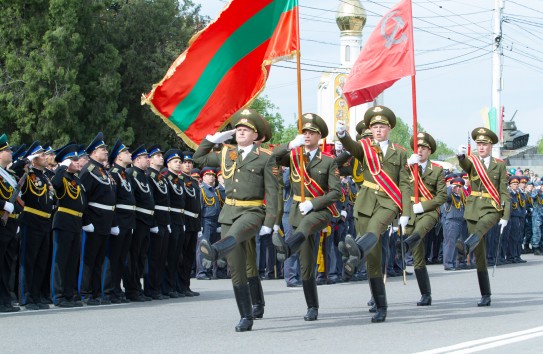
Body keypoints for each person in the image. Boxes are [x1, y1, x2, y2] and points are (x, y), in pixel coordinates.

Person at [193, 108, 277, 332]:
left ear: (256, 135)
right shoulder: (225, 154)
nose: (240, 131)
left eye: (246, 129)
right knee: (240, 267)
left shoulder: (266, 158)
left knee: (235, 234)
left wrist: (270, 222)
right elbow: (198, 158)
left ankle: (216, 250)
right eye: (238, 128)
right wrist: (211, 140)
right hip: (229, 212)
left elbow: (274, 192)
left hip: (252, 212)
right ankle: (248, 313)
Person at [336, 105, 410, 323]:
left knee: (376, 229)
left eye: (382, 126)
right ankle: (381, 305)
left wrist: (405, 212)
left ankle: (355, 250)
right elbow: (351, 147)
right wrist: (342, 135)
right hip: (366, 201)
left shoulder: (400, 152)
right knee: (374, 258)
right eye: (375, 126)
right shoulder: (365, 148)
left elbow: (404, 183)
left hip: (388, 202)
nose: (378, 130)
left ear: (389, 129)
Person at [271, 113, 341, 321]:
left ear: (319, 136)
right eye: (304, 132)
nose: (307, 135)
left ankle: (288, 246)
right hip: (296, 210)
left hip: (319, 211)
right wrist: (290, 145)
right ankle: (312, 306)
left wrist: (314, 202)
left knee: (308, 225)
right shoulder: (294, 156)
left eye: (311, 132)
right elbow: (272, 158)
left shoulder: (329, 161)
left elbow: (336, 192)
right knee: (306, 263)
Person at [456, 127, 510, 306]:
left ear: (490, 146)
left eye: (484, 144)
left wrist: (505, 215)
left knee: (482, 226)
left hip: (491, 208)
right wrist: (461, 157)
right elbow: (465, 166)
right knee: (479, 254)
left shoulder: (499, 165)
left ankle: (465, 247)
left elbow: (503, 191)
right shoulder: (472, 162)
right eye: (478, 144)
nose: (481, 147)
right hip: (473, 208)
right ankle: (485, 294)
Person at [400, 133, 447, 306]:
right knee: (418, 257)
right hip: (409, 211)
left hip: (428, 211)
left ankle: (406, 244)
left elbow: (442, 196)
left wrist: (424, 206)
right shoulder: (407, 167)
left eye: (424, 148)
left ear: (430, 151)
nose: (420, 150)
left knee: (420, 230)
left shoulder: (436, 169)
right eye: (418, 147)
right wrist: (406, 166)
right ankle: (426, 294)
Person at [78, 133, 117, 305]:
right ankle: (85, 292)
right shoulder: (89, 171)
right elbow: (83, 198)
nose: (106, 152)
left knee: (99, 258)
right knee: (89, 259)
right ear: (93, 152)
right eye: (102, 149)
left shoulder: (102, 171)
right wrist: (86, 221)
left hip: (105, 220)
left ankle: (95, 292)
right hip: (93, 220)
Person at [18, 141, 55, 310]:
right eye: (42, 155)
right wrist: (26, 162)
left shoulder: (45, 176)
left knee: (41, 261)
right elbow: (16, 172)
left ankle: (36, 295)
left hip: (45, 222)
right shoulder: (28, 173)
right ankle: (26, 296)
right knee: (29, 259)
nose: (46, 157)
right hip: (31, 220)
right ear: (34, 159)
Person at [50, 144, 85, 307]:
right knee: (61, 260)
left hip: (76, 222)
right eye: (74, 160)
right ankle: (58, 295)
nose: (78, 163)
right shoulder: (62, 177)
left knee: (72, 260)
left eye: (78, 159)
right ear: (67, 163)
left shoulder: (77, 179)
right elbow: (55, 184)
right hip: (63, 221)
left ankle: (69, 294)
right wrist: (61, 167)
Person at [103, 139, 135, 304]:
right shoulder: (113, 174)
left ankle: (116, 288)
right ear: (118, 157)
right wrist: (114, 222)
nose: (130, 154)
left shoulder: (124, 174)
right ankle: (108, 290)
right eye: (126, 153)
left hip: (128, 220)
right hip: (119, 219)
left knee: (121, 257)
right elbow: (113, 200)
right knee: (113, 257)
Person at [124, 145, 154, 302]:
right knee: (133, 256)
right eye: (145, 157)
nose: (148, 159)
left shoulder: (145, 175)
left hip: (147, 220)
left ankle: (137, 287)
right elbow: (131, 198)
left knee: (141, 256)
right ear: (137, 160)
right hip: (138, 220)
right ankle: (131, 289)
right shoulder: (131, 174)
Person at [0, 134, 23, 312]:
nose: (10, 152)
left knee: (8, 263)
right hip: (1, 222)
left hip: (12, 223)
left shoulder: (8, 174)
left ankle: (5, 299)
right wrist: (3, 204)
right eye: (7, 150)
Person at [145, 145, 171, 300]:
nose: (161, 158)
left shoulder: (162, 177)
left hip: (164, 219)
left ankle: (159, 287)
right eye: (157, 156)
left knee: (162, 257)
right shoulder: (149, 176)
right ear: (150, 159)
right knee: (153, 257)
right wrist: (153, 222)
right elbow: (151, 201)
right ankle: (151, 288)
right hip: (155, 219)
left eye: (161, 155)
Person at [161, 149, 186, 297]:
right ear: (168, 163)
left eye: (179, 162)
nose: (179, 164)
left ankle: (174, 286)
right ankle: (167, 287)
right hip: (171, 217)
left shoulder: (179, 180)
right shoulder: (166, 178)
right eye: (175, 161)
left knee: (177, 256)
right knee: (168, 256)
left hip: (179, 219)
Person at [177, 151, 201, 297]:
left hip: (194, 222)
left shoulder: (193, 182)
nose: (187, 165)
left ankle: (186, 286)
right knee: (180, 255)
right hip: (184, 220)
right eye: (185, 162)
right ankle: (178, 285)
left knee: (189, 256)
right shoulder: (178, 180)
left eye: (190, 162)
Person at [196, 167, 221, 280]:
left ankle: (209, 270)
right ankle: (202, 272)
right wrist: (199, 225)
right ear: (203, 177)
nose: (211, 177)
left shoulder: (214, 191)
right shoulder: (201, 190)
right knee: (203, 247)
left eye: (213, 175)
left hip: (214, 221)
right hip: (205, 221)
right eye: (208, 175)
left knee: (210, 247)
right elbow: (199, 209)